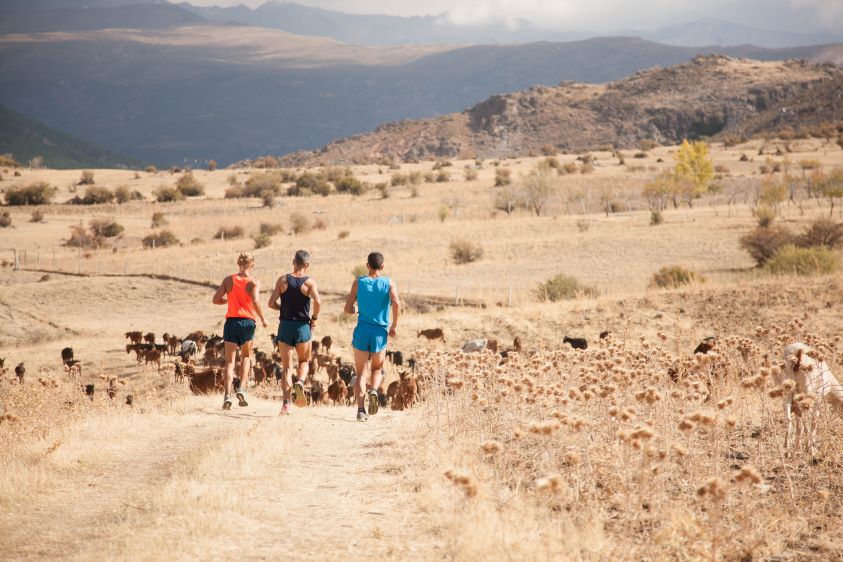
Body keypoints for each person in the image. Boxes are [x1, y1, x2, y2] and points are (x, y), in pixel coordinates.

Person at [344, 251, 401, 422]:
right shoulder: (389, 282)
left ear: (367, 265)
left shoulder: (358, 282)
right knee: (377, 369)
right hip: (379, 333)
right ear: (382, 266)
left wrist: (356, 309)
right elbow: (397, 303)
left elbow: (347, 308)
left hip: (362, 330)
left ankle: (361, 410)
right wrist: (394, 326)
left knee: (361, 372)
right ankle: (374, 390)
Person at [212, 253, 269, 410]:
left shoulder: (228, 280)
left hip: (231, 322)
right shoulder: (254, 282)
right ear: (252, 265)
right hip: (248, 322)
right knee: (245, 356)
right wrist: (263, 319)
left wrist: (229, 300)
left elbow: (216, 299)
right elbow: (256, 301)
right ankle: (242, 389)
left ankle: (227, 395)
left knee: (229, 362)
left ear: (238, 264)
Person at [268, 250, 322, 415]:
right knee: (304, 361)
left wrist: (282, 308)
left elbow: (271, 303)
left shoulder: (283, 280)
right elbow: (318, 301)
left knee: (286, 367)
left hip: (285, 326)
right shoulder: (309, 283)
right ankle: (299, 381)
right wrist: (313, 318)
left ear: (293, 262)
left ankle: (286, 404)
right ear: (307, 265)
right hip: (302, 327)